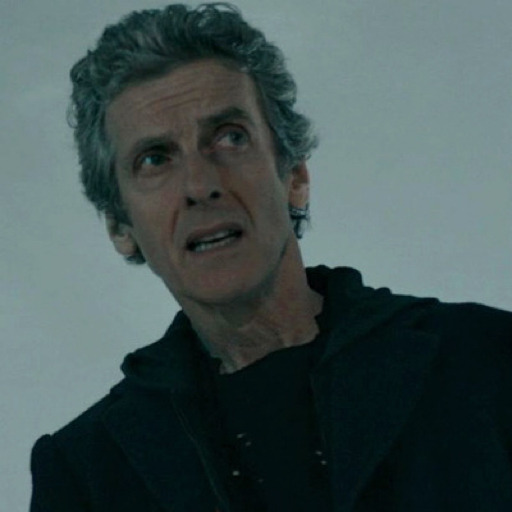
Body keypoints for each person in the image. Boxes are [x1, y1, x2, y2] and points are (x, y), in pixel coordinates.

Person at [30, 3, 512, 511]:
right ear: (120, 227)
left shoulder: (489, 360)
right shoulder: (85, 472)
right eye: (155, 159)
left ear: (295, 176)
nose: (200, 185)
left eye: (229, 137)